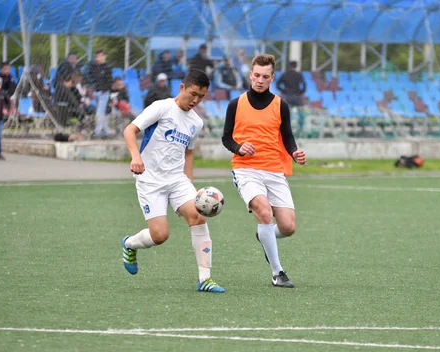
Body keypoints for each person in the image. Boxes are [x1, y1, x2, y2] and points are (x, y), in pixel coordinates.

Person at [121, 69, 225, 293]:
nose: (196, 101)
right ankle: (129, 244)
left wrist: (191, 187)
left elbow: (188, 153)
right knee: (160, 236)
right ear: (182, 88)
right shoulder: (161, 108)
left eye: (201, 97)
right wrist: (136, 157)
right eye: (193, 94)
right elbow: (130, 130)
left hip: (177, 180)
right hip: (150, 180)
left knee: (198, 217)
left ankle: (205, 279)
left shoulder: (196, 122)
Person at [221, 54, 307, 288]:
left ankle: (264, 234)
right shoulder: (235, 104)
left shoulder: (281, 105)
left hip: (274, 171)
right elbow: (226, 138)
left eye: (265, 77)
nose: (260, 80)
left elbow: (288, 137)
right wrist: (239, 148)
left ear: (272, 78)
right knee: (264, 211)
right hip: (245, 169)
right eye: (256, 75)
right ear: (250, 75)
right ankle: (278, 272)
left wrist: (295, 153)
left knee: (288, 227)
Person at [85, 49, 112, 138]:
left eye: (100, 56)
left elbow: (109, 82)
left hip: (104, 93)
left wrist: (103, 89)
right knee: (101, 112)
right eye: (97, 56)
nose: (98, 58)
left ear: (104, 56)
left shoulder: (107, 67)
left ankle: (97, 132)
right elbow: (88, 75)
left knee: (99, 112)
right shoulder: (93, 66)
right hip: (96, 92)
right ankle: (105, 131)